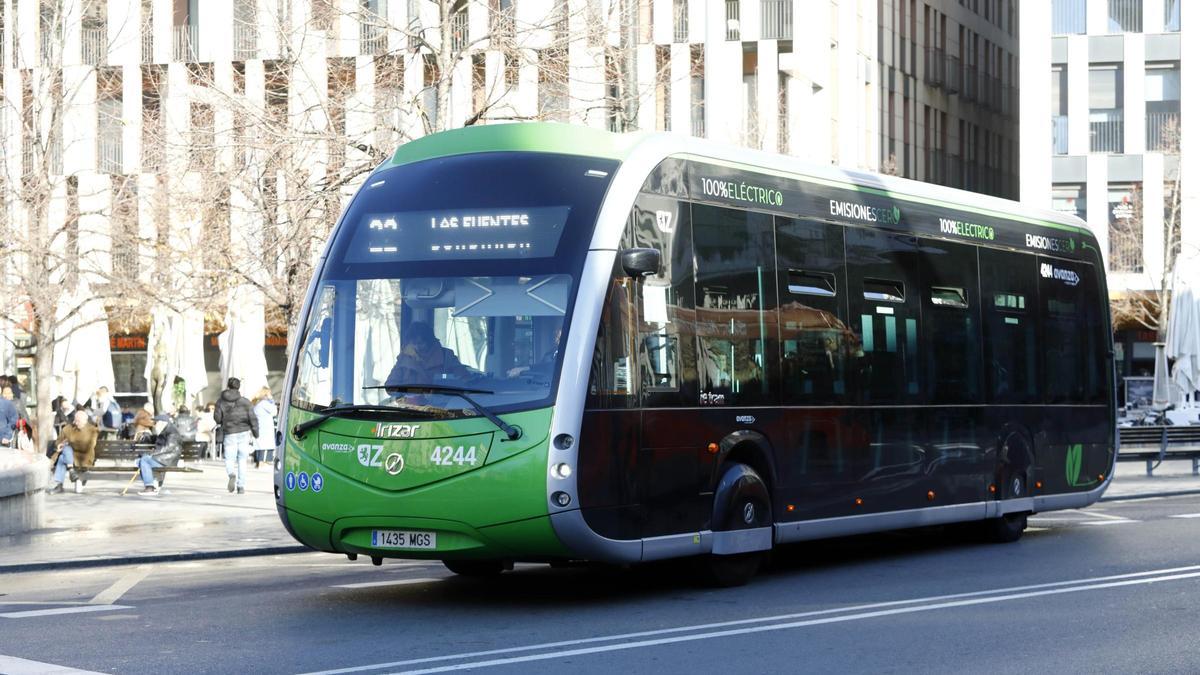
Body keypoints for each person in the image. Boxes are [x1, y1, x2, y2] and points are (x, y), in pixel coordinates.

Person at [386, 322, 471, 385]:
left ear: (429, 341)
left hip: (441, 407)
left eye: (420, 343)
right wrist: (405, 393)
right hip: (410, 406)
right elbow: (390, 386)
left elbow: (464, 380)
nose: (417, 347)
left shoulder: (446, 356)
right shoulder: (404, 358)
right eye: (414, 343)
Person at [214, 378, 259, 494]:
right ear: (239, 387)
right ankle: (241, 486)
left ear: (228, 386)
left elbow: (217, 418)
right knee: (242, 460)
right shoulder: (245, 402)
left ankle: (231, 473)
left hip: (229, 433)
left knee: (229, 458)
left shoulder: (220, 401)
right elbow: (253, 418)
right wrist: (255, 432)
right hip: (244, 432)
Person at [48, 410, 99, 494]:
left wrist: (69, 443)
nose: (75, 423)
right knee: (64, 452)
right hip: (70, 457)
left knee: (63, 454)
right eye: (75, 420)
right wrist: (59, 444)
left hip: (84, 457)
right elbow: (58, 440)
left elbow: (89, 445)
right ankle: (70, 471)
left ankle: (60, 484)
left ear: (85, 421)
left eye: (78, 421)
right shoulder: (69, 428)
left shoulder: (92, 430)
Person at [134, 414, 182, 496]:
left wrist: (151, 454)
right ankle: (154, 484)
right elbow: (159, 443)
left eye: (156, 422)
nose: (155, 425)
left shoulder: (172, 432)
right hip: (163, 458)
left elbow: (168, 448)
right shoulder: (165, 430)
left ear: (162, 423)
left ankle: (150, 487)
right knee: (139, 461)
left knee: (145, 460)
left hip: (168, 459)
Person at [251, 387, 277, 469]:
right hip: (266, 428)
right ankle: (262, 463)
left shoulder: (258, 403)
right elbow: (274, 412)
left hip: (260, 428)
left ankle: (259, 462)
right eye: (269, 394)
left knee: (260, 445)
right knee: (265, 446)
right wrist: (272, 401)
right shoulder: (265, 404)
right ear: (266, 394)